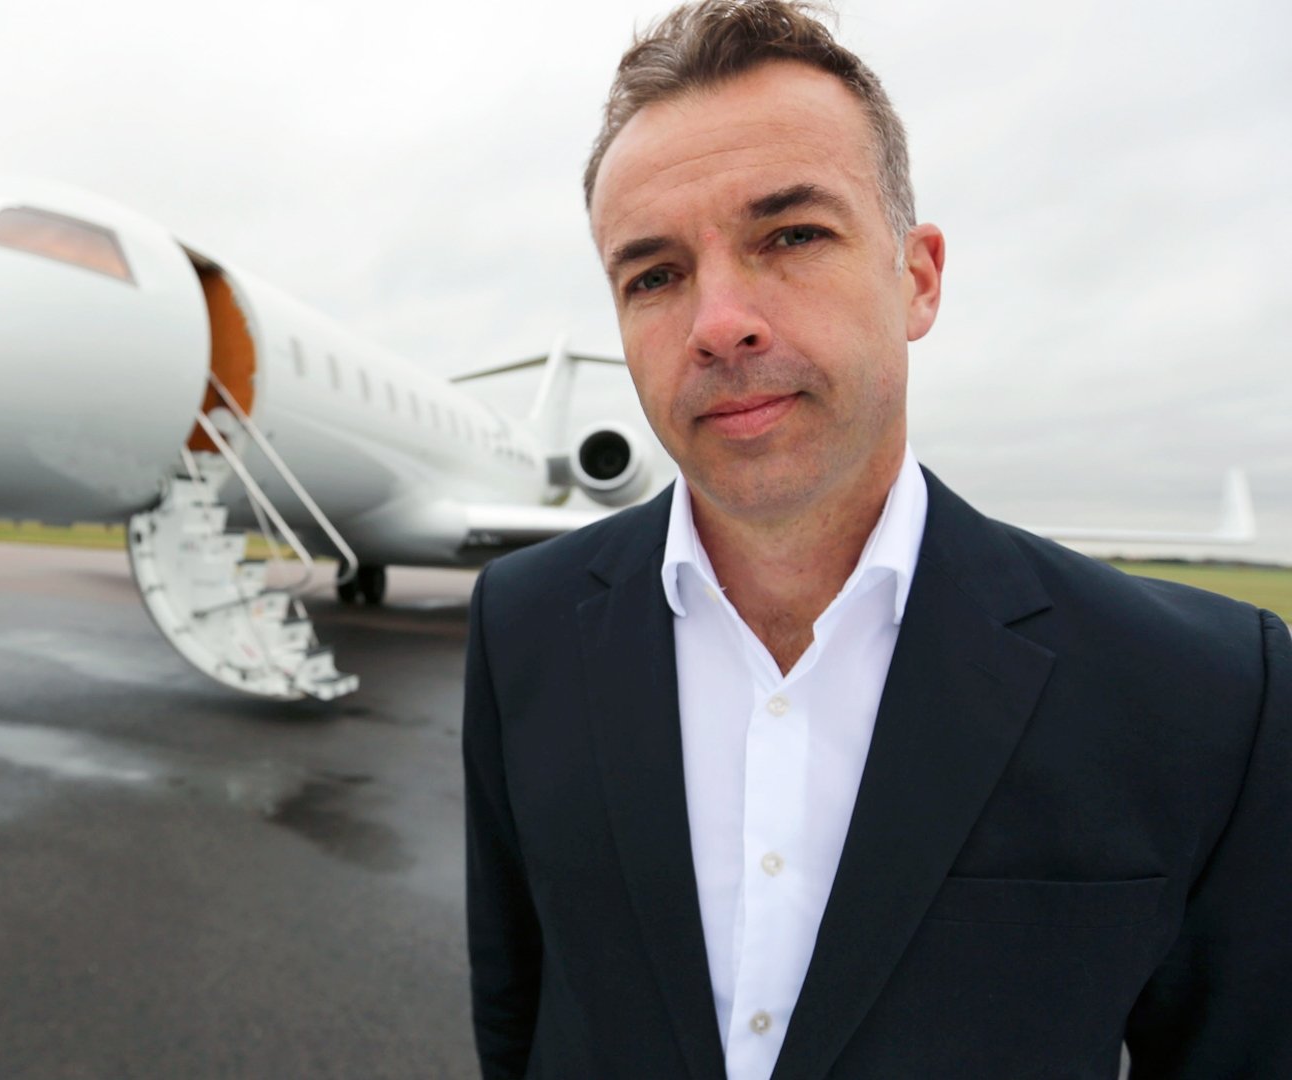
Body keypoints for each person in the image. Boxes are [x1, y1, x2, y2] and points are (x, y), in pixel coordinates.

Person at [460, 2, 1291, 1077]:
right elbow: (517, 1007)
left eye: (792, 236)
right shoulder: (521, 624)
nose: (717, 323)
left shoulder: (1205, 692)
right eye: (654, 274)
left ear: (919, 278)